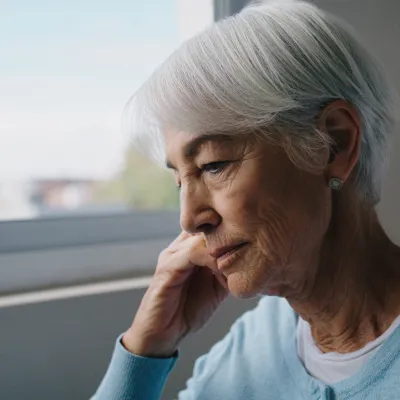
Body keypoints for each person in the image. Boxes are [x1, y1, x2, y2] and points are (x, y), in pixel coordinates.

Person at [94, 1, 400, 399]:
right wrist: (144, 349)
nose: (189, 219)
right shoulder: (261, 339)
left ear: (334, 143)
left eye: (214, 164)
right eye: (179, 182)